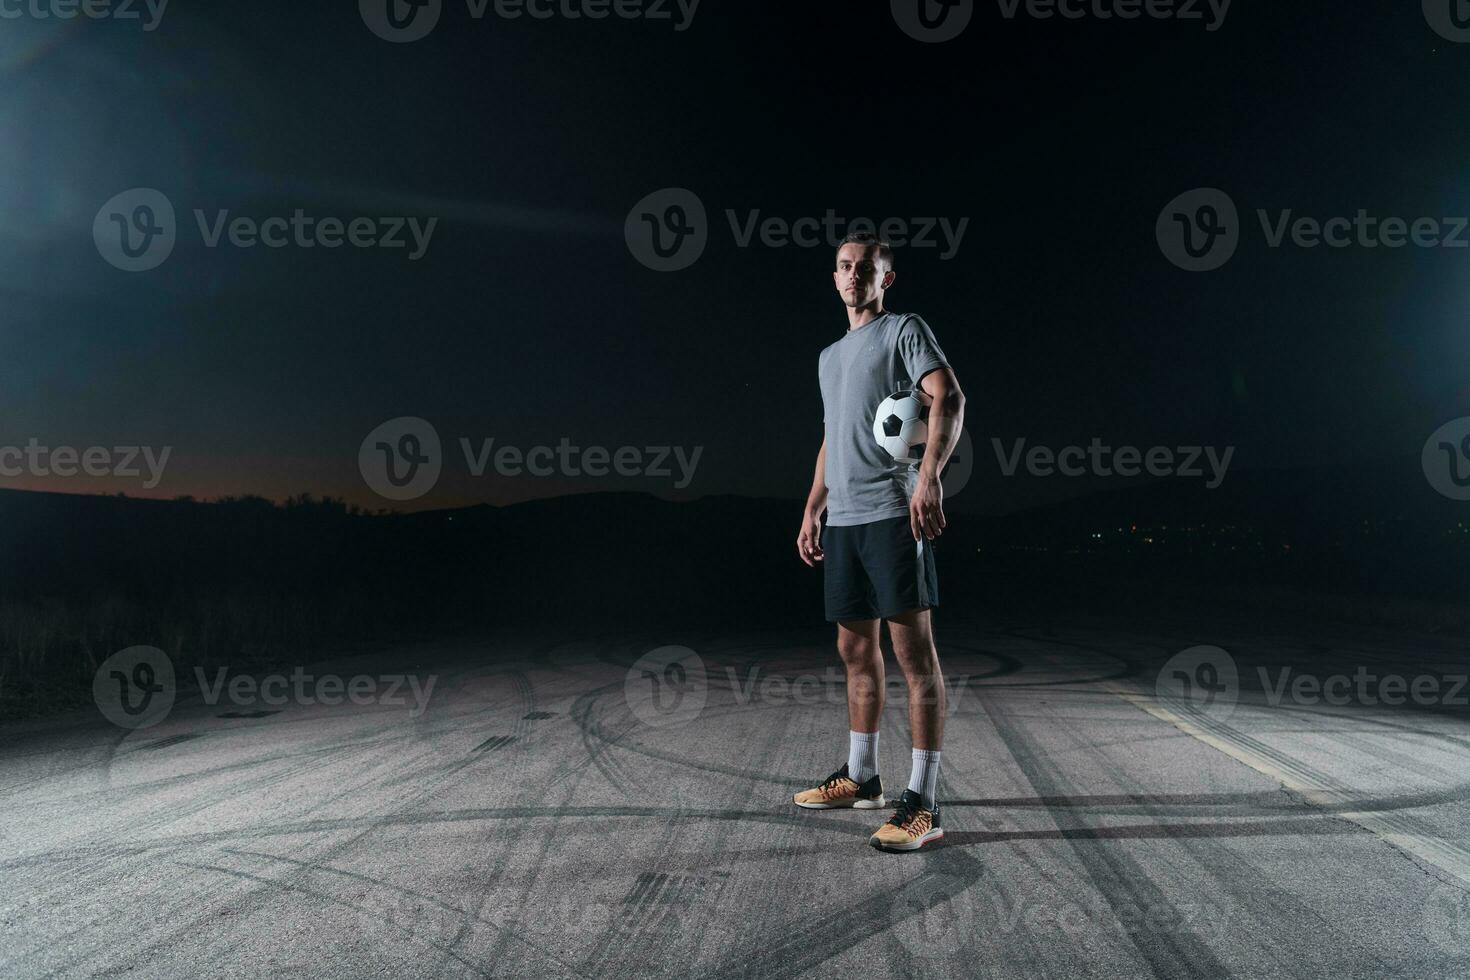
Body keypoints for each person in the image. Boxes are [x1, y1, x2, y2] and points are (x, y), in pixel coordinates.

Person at [793, 231, 966, 852]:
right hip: (843, 523)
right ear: (834, 276)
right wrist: (814, 507)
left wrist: (929, 481)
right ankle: (862, 778)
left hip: (893, 515)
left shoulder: (902, 332)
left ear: (883, 278)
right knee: (853, 653)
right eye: (843, 266)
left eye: (864, 268)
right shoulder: (828, 356)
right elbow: (831, 437)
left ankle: (924, 801)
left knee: (914, 657)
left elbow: (949, 396)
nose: (852, 276)